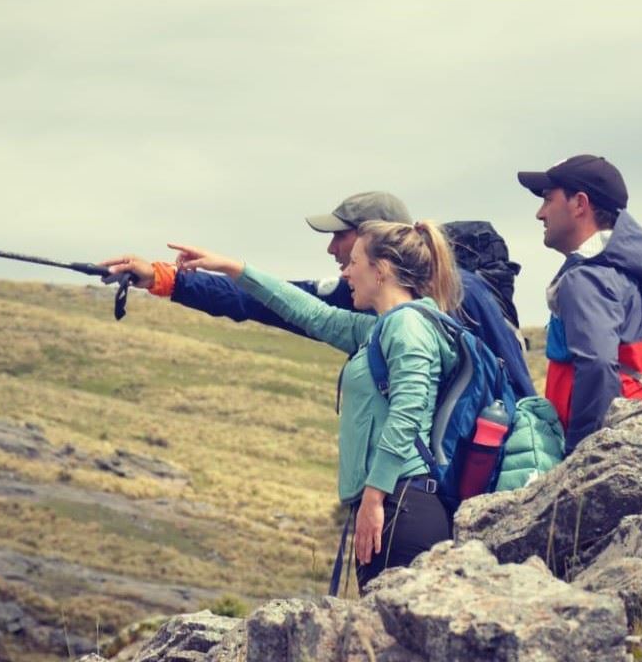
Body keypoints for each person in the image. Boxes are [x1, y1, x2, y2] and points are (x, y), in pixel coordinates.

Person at [158, 220, 459, 591]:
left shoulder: (408, 326)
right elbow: (310, 314)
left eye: (355, 262)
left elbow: (406, 416)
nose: (346, 271)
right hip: (394, 504)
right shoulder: (381, 327)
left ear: (380, 271)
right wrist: (235, 269)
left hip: (402, 507)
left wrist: (374, 497)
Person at [100, 192, 536, 398]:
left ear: (373, 240)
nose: (331, 250)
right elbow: (272, 300)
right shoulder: (365, 299)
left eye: (339, 237)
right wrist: (163, 278)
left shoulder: (463, 294)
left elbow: (516, 389)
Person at [518, 155, 642, 455]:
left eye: (549, 200)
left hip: (611, 443)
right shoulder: (627, 269)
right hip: (635, 430)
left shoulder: (585, 279)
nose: (540, 213)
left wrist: (582, 454)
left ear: (579, 204)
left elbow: (598, 366)